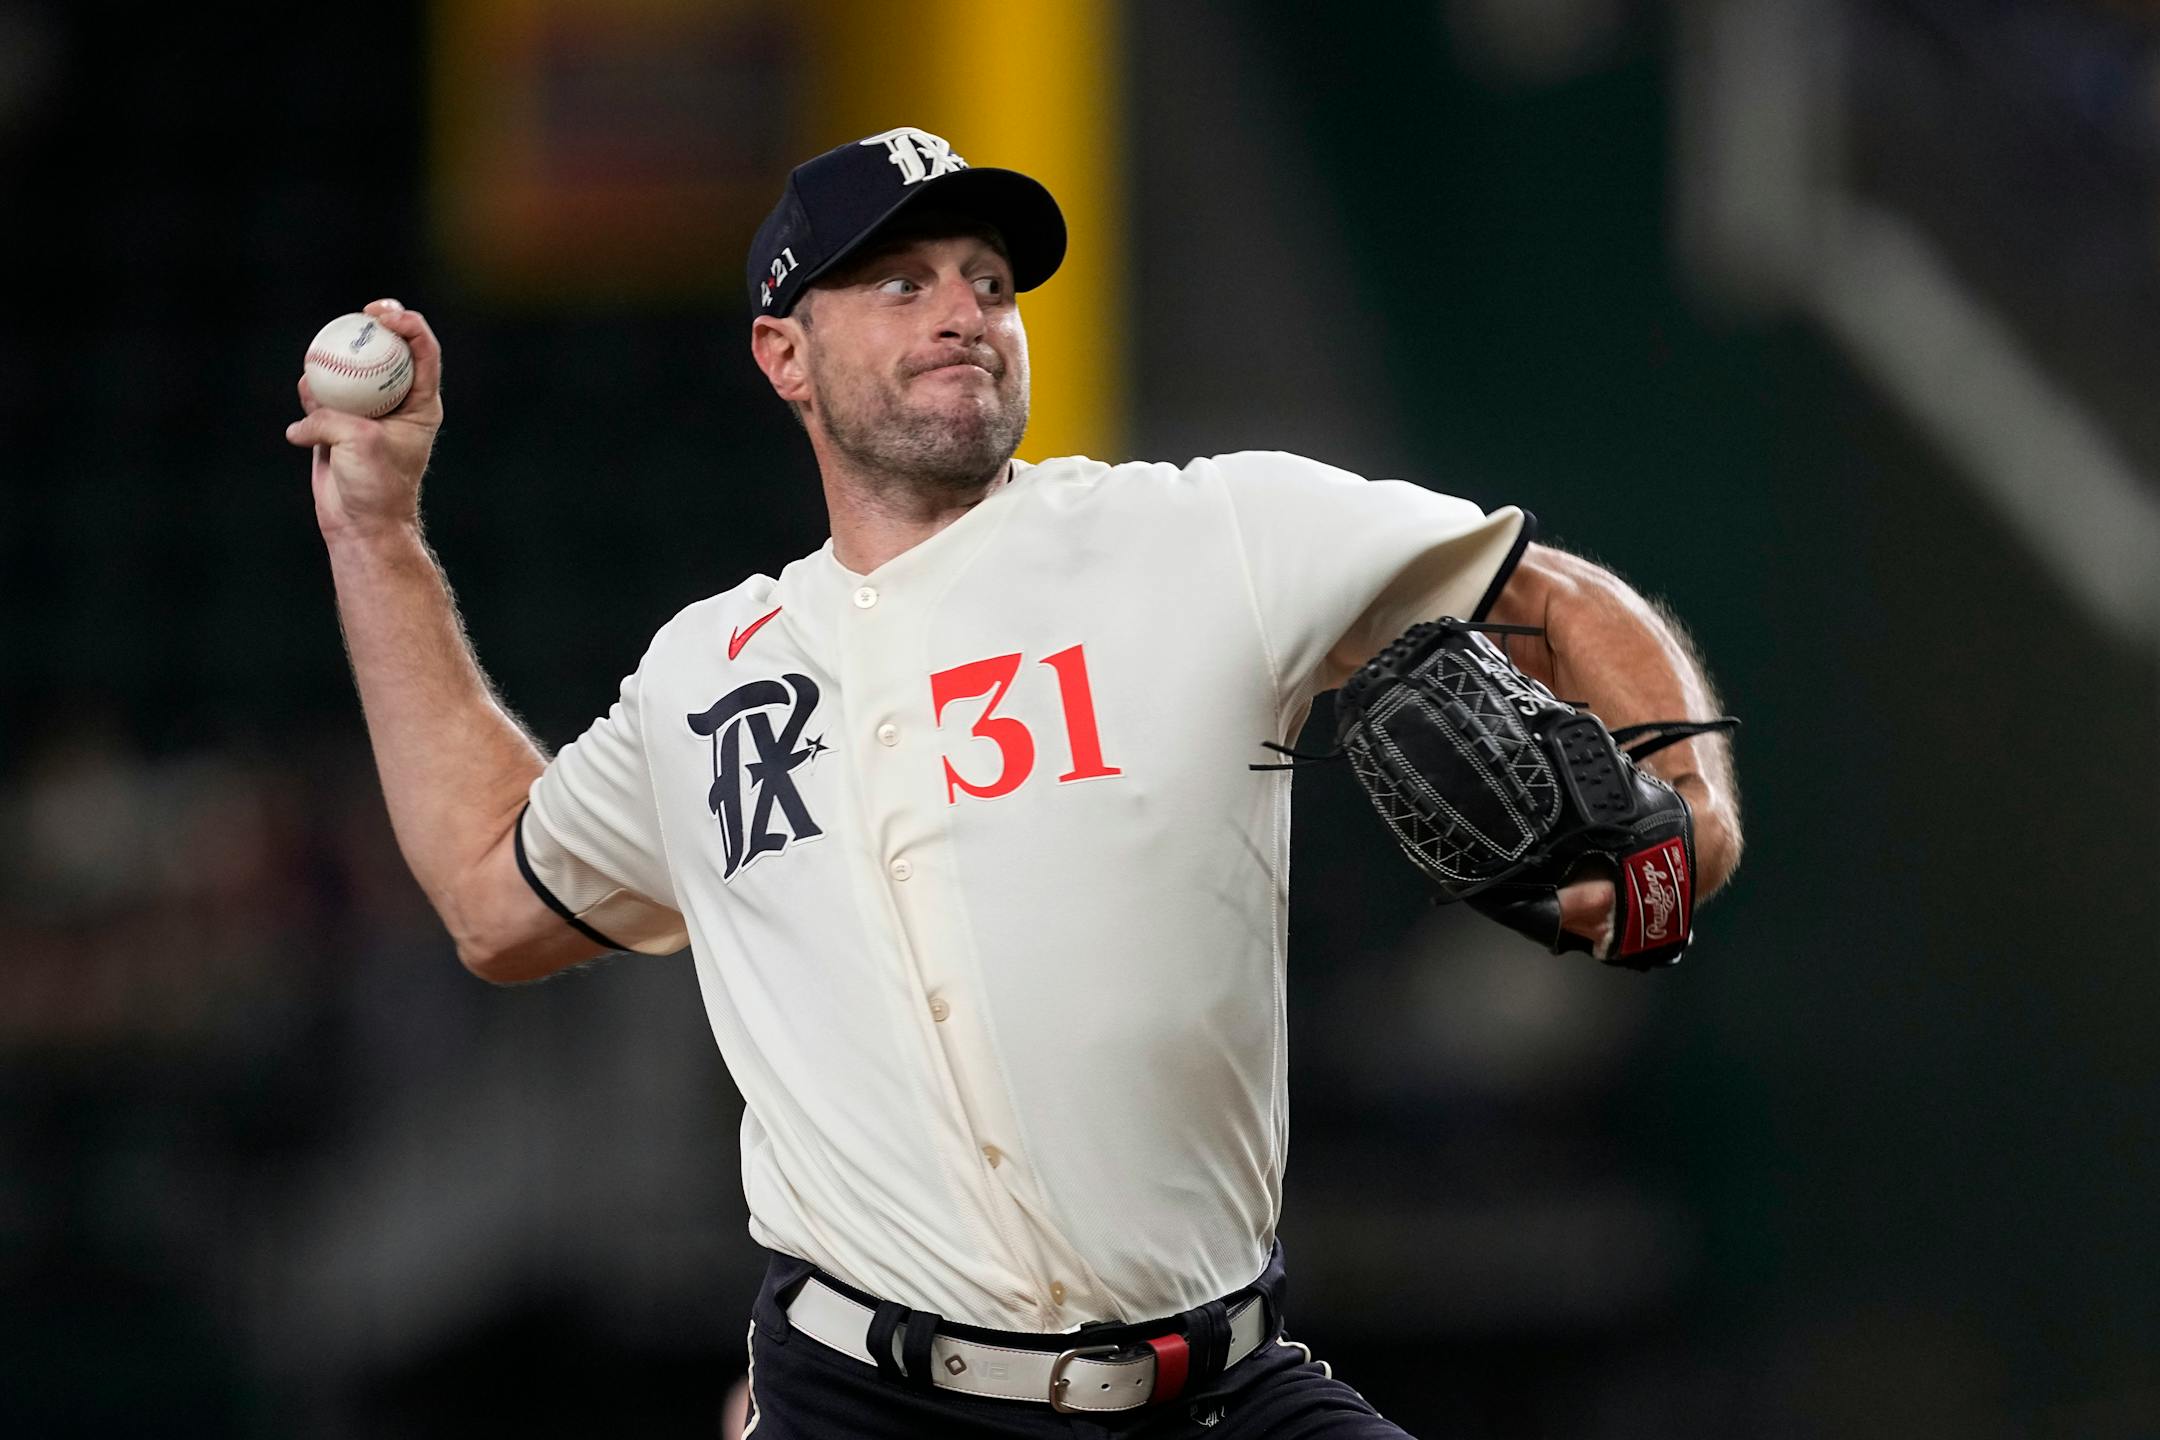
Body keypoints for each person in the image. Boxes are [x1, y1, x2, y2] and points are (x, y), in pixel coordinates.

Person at [284, 126, 1741, 1438]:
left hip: (1214, 1389)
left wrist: (1692, 812)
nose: (964, 310)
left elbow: (1551, 595)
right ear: (784, 354)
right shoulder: (704, 676)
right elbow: (493, 894)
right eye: (900, 283)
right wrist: (377, 532)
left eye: (987, 277)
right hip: (864, 1403)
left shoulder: (1208, 532)